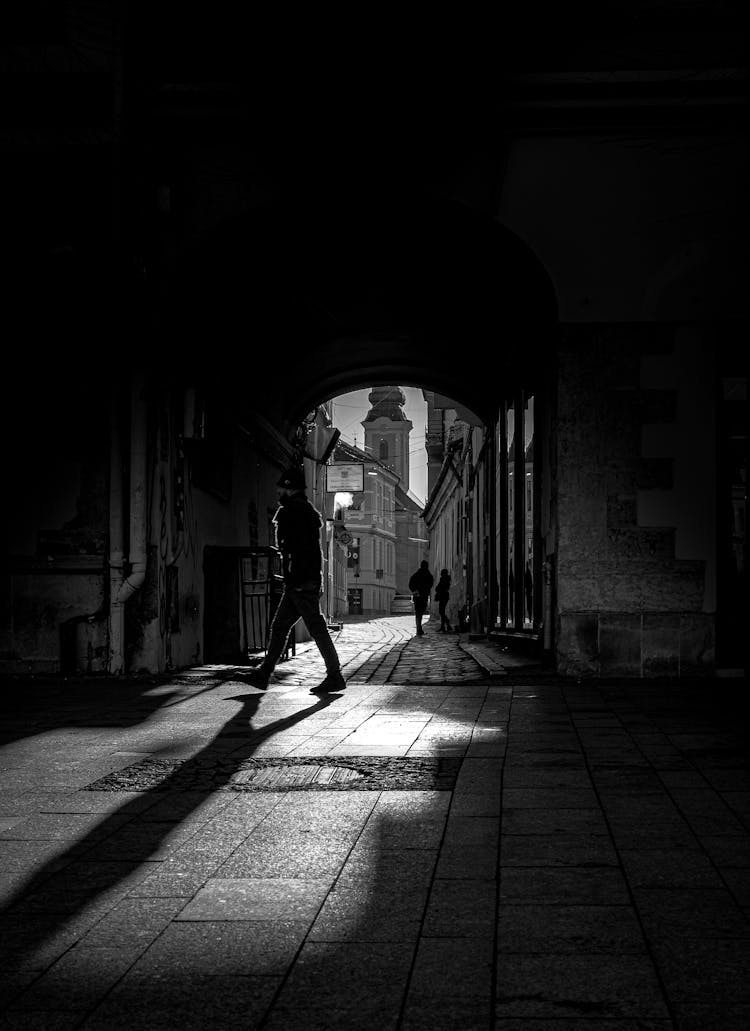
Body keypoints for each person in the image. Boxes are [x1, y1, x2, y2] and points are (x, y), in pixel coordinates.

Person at [246, 466, 346, 693]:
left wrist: (297, 578)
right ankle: (264, 673)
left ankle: (335, 675)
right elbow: (307, 550)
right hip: (301, 580)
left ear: (289, 489)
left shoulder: (294, 512)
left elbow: (296, 549)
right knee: (281, 626)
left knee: (316, 628)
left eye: (280, 487)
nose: (277, 490)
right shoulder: (304, 511)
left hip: (300, 581)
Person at [408, 559, 434, 636]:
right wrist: (426, 590)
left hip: (417, 596)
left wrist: (415, 590)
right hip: (424, 596)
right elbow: (431, 583)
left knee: (418, 612)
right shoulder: (428, 574)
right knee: (421, 612)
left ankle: (418, 628)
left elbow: (410, 584)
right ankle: (419, 628)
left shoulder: (416, 574)